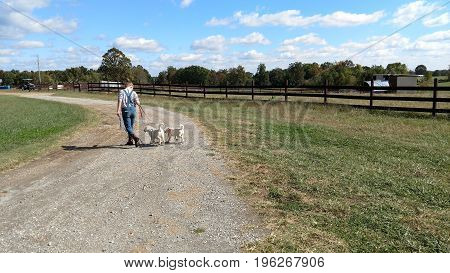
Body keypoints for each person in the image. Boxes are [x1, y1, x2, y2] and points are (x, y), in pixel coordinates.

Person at [116, 82, 142, 147]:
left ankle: (135, 138)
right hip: (133, 110)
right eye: (132, 86)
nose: (133, 88)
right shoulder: (134, 93)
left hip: (126, 110)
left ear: (125, 86)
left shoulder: (122, 92)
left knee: (128, 127)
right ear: (130, 86)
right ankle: (130, 141)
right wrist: (139, 107)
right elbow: (138, 102)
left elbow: (120, 100)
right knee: (131, 126)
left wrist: (118, 110)